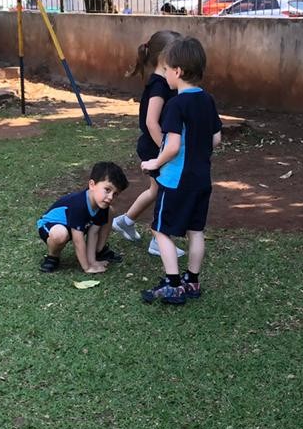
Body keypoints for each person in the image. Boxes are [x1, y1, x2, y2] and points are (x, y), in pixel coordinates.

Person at [141, 36, 222, 306]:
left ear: (177, 71)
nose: (164, 74)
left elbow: (173, 146)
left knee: (160, 229)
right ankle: (192, 281)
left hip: (176, 181)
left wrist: (155, 163)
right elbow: (216, 138)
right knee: (195, 230)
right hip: (202, 179)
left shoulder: (176, 104)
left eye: (166, 70)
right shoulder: (207, 100)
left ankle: (173, 284)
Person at [111, 29, 185, 259]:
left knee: (156, 190)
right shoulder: (159, 86)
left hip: (156, 146)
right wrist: (165, 150)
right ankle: (157, 240)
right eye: (177, 54)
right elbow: (151, 122)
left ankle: (125, 221)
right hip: (154, 147)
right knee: (165, 192)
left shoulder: (165, 82)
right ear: (164, 57)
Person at [37, 162, 128, 273]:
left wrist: (92, 261)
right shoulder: (79, 204)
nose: (110, 197)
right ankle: (52, 257)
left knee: (110, 211)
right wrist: (87, 267)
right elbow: (78, 240)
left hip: (74, 225)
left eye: (115, 194)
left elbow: (93, 233)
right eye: (107, 190)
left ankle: (98, 251)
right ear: (92, 185)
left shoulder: (102, 205)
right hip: (51, 225)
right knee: (60, 235)